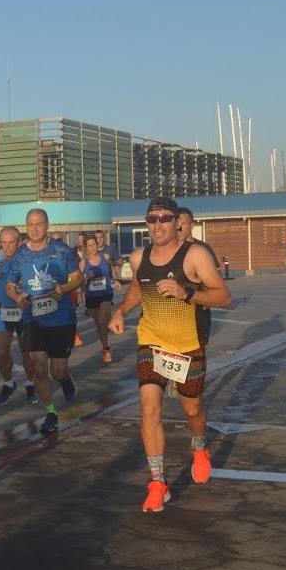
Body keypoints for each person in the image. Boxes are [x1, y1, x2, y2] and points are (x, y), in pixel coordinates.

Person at [109, 198, 232, 513]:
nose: (158, 225)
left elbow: (223, 296)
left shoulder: (195, 255)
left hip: (187, 346)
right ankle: (157, 482)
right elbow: (137, 288)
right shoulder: (139, 257)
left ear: (177, 222)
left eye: (165, 218)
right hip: (152, 342)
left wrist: (186, 292)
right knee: (150, 408)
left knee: (192, 410)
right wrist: (121, 311)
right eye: (152, 219)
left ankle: (200, 446)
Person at [5, 208, 82, 434]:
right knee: (39, 367)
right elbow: (10, 285)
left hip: (61, 318)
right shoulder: (19, 255)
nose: (35, 228)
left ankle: (65, 379)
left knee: (57, 371)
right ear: (26, 227)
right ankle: (50, 412)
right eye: (30, 224)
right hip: (32, 318)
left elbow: (78, 277)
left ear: (47, 225)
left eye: (39, 224)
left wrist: (64, 288)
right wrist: (16, 297)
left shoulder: (61, 250)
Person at [0, 226, 37, 404]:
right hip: (3, 310)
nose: (7, 247)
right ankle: (8, 383)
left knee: (27, 352)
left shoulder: (27, 257)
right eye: (4, 243)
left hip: (24, 309)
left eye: (11, 243)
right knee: (1, 352)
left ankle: (31, 383)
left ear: (19, 241)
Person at [175, 206, 219, 347]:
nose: (179, 228)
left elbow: (214, 283)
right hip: (171, 313)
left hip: (197, 311)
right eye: (176, 224)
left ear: (192, 225)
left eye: (183, 224)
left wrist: (205, 298)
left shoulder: (203, 249)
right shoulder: (166, 249)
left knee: (197, 354)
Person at [79, 235, 117, 363]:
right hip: (92, 296)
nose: (92, 247)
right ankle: (105, 348)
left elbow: (111, 270)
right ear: (86, 248)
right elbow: (78, 281)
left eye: (94, 244)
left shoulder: (105, 257)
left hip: (106, 293)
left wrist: (115, 280)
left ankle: (106, 324)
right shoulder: (83, 262)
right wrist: (86, 277)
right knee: (99, 324)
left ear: (97, 245)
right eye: (89, 245)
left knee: (102, 320)